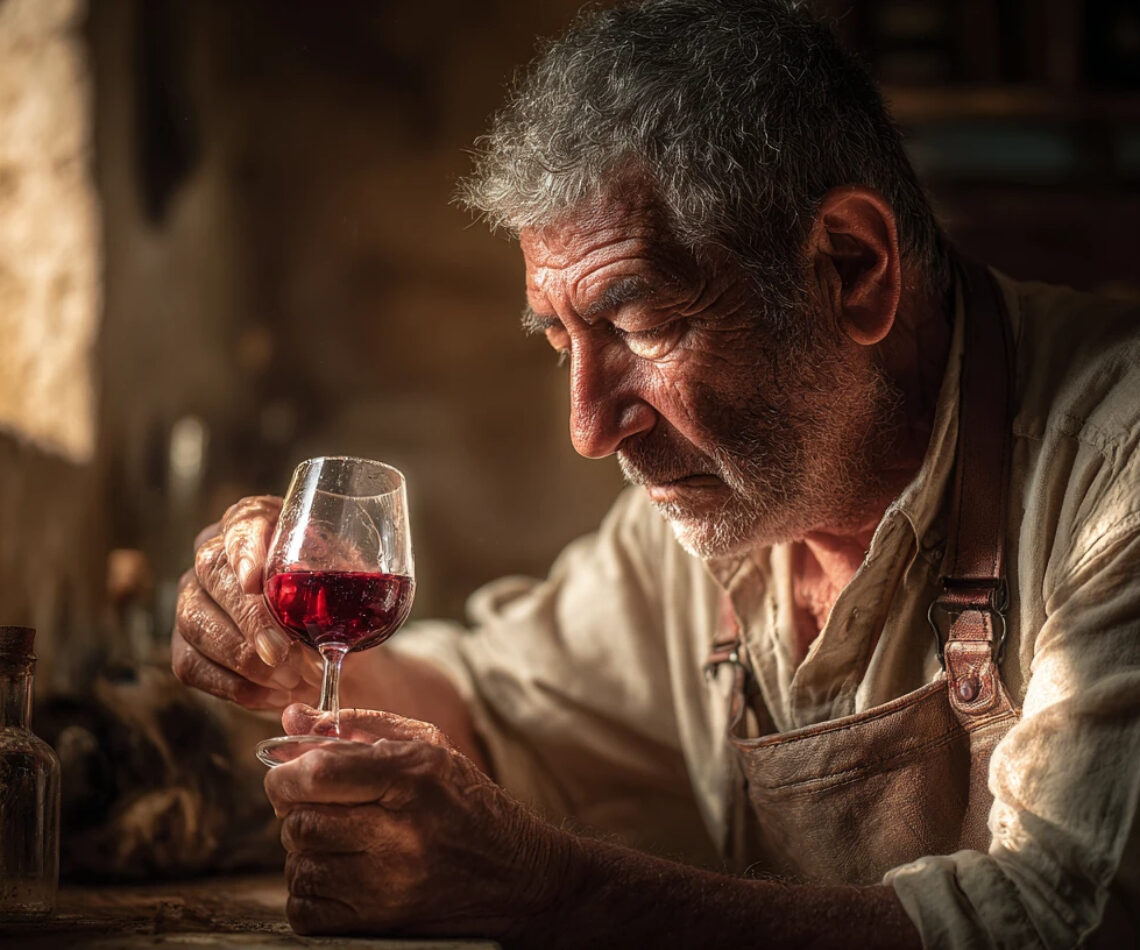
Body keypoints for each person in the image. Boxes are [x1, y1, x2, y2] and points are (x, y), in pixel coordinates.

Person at [172, 1, 1140, 946]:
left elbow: (1055, 918)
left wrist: (547, 891)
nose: (590, 428)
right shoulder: (727, 508)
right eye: (563, 341)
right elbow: (489, 713)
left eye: (643, 327)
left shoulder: (1114, 466)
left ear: (852, 268)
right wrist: (296, 644)